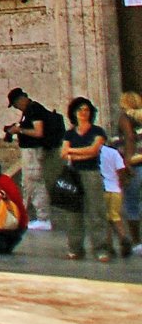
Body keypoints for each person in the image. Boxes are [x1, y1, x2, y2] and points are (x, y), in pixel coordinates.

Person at [58, 96, 112, 262]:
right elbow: (63, 153)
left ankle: (101, 248)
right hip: (74, 174)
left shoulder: (97, 131)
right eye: (80, 109)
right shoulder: (69, 133)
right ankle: (75, 248)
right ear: (74, 113)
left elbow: (94, 150)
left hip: (92, 173)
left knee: (96, 211)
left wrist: (73, 152)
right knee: (73, 212)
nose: (83, 113)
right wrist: (82, 152)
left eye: (86, 109)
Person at [5, 87, 64, 231]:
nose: (16, 108)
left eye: (15, 104)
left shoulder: (34, 109)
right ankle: (26, 214)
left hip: (34, 152)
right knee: (28, 183)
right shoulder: (29, 111)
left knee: (35, 183)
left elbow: (38, 132)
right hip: (29, 152)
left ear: (21, 100)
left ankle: (43, 218)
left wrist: (19, 130)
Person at [117, 90, 142, 258]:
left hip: (135, 164)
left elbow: (129, 138)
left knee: (132, 203)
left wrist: (127, 161)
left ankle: (137, 242)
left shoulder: (126, 118)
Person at [97, 137, 130, 259]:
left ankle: (109, 246)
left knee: (105, 219)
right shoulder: (113, 152)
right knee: (115, 216)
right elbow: (121, 170)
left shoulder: (93, 153)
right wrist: (120, 185)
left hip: (102, 189)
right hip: (115, 189)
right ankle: (123, 238)